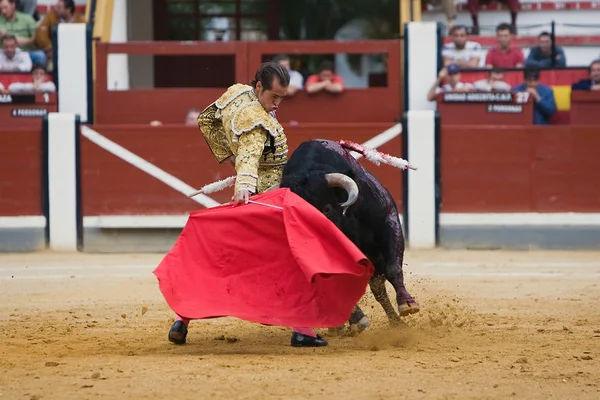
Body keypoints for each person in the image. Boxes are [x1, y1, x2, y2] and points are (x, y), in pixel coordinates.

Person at [167, 62, 328, 348]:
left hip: (257, 193)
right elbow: (250, 157)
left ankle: (182, 317)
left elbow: (206, 120)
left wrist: (227, 153)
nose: (277, 104)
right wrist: (244, 185)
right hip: (269, 197)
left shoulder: (236, 93)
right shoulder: (257, 120)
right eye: (273, 97)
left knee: (222, 258)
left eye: (282, 98)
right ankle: (303, 328)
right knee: (292, 258)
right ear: (259, 88)